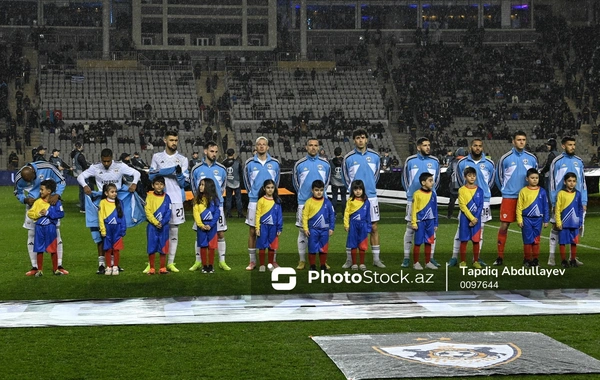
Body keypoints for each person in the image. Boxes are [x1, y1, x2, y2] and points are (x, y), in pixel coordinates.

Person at [78, 148, 140, 274]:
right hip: (101, 202)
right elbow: (80, 176)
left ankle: (113, 264)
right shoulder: (95, 167)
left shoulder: (120, 166)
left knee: (115, 234)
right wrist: (85, 185)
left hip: (116, 202)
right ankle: (102, 264)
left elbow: (137, 174)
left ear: (112, 158)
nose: (106, 164)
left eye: (108, 161)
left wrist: (134, 183)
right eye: (104, 161)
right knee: (101, 234)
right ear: (101, 159)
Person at [14, 162, 67, 276]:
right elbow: (17, 192)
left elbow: (61, 180)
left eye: (31, 179)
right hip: (33, 206)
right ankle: (35, 267)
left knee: (56, 234)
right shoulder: (19, 177)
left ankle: (59, 265)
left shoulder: (47, 167)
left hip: (50, 204)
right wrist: (25, 200)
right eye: (26, 180)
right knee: (32, 234)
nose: (29, 182)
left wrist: (57, 195)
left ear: (33, 172)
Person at [493, 131, 538, 266]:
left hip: (527, 198)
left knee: (527, 228)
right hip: (509, 198)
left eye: (523, 139)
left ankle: (527, 258)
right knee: (504, 226)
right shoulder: (505, 158)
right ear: (513, 141)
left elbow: (535, 176)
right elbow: (498, 177)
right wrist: (506, 191)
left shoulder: (532, 158)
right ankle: (500, 257)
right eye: (519, 140)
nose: (521, 142)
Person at [342, 129, 384, 269]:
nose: (361, 140)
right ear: (354, 140)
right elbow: (346, 178)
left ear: (367, 139)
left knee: (374, 228)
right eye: (358, 138)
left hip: (371, 197)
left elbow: (376, 176)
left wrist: (369, 189)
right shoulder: (348, 158)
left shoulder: (375, 156)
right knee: (352, 229)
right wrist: (355, 193)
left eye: (363, 138)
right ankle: (350, 260)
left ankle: (376, 259)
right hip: (355, 199)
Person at [449, 139, 495, 266]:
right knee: (460, 230)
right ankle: (454, 257)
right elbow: (459, 180)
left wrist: (483, 192)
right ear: (471, 147)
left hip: (483, 200)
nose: (478, 148)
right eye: (475, 146)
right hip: (467, 200)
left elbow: (490, 181)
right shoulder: (462, 163)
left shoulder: (489, 163)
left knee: (480, 231)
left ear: (482, 147)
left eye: (480, 146)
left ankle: (476, 258)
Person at [149, 130, 189, 273]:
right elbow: (150, 177)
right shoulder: (157, 157)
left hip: (176, 199)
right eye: (171, 140)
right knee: (154, 230)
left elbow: (184, 183)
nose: (174, 143)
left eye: (176, 140)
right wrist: (171, 171)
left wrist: (175, 174)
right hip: (158, 199)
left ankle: (170, 262)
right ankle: (152, 263)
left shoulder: (183, 160)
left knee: (174, 231)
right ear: (165, 140)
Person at [189, 141, 230, 272]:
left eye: (216, 152)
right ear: (205, 151)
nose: (214, 154)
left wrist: (215, 200)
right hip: (201, 206)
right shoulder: (196, 169)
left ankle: (222, 261)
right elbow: (194, 187)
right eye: (212, 151)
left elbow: (222, 187)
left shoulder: (222, 169)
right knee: (200, 234)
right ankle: (198, 262)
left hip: (217, 206)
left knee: (220, 233)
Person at [401, 137, 441, 268]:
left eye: (429, 145)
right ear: (418, 147)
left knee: (431, 230)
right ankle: (407, 258)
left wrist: (432, 194)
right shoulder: (410, 161)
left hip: (430, 200)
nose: (428, 147)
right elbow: (405, 179)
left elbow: (437, 180)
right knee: (410, 229)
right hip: (413, 199)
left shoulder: (435, 161)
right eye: (425, 145)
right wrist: (411, 194)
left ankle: (430, 258)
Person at [548, 137, 587, 266]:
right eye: (570, 145)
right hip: (561, 201)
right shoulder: (556, 161)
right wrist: (554, 202)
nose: (573, 147)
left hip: (577, 201)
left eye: (574, 144)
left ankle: (572, 258)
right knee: (556, 227)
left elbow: (583, 183)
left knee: (575, 229)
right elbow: (552, 183)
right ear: (563, 146)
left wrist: (584, 200)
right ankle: (552, 256)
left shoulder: (579, 161)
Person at [293, 137, 331, 270]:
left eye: (316, 145)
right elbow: (296, 183)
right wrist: (304, 196)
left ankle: (322, 261)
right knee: (303, 232)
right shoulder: (299, 164)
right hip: (303, 203)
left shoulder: (325, 164)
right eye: (310, 145)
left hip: (321, 204)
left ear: (319, 147)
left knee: (322, 232)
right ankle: (302, 260)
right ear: (306, 147)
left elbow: (326, 183)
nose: (313, 147)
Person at [243, 137, 280, 270]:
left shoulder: (275, 163)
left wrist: (272, 196)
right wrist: (253, 195)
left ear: (268, 147)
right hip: (254, 202)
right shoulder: (249, 163)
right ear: (255, 147)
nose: (262, 146)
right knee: (253, 231)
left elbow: (276, 182)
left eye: (264, 144)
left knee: (273, 231)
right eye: (259, 144)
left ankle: (273, 261)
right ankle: (252, 261)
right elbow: (247, 183)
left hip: (271, 202)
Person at [26, 179, 66, 277]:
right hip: (39, 228)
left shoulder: (56, 202)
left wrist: (48, 213)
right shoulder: (38, 202)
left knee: (53, 249)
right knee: (39, 249)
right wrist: (39, 214)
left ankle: (56, 269)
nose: (40, 191)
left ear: (49, 191)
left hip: (51, 228)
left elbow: (61, 214)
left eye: (42, 189)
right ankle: (39, 270)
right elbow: (30, 213)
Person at [516, 168, 549, 268]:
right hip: (527, 219)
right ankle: (527, 259)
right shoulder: (523, 191)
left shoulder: (542, 192)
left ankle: (535, 259)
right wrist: (519, 219)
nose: (535, 180)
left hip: (538, 220)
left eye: (536, 178)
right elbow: (519, 206)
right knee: (527, 240)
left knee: (536, 240)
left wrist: (546, 220)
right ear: (527, 179)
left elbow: (546, 206)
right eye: (532, 178)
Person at [302, 179, 335, 272]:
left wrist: (331, 228)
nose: (319, 192)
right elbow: (305, 216)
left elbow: (332, 215)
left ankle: (323, 265)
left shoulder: (327, 202)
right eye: (316, 190)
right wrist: (305, 228)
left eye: (321, 190)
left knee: (323, 248)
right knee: (312, 248)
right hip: (313, 230)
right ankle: (312, 266)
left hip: (325, 230)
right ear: (312, 190)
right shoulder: (309, 202)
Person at [554, 172, 584, 268]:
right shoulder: (561, 193)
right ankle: (563, 260)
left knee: (574, 242)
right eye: (569, 181)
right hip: (564, 223)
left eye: (574, 181)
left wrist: (580, 221)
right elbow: (557, 209)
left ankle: (573, 260)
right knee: (562, 242)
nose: (572, 183)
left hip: (574, 223)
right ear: (565, 182)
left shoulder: (578, 194)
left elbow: (580, 209)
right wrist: (558, 222)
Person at [456, 167, 484, 269]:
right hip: (465, 219)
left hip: (476, 220)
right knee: (464, 240)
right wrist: (472, 218)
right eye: (469, 175)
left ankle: (475, 261)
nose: (472, 178)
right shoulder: (462, 190)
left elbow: (480, 206)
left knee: (476, 241)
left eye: (473, 175)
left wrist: (475, 218)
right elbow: (462, 205)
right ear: (465, 177)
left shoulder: (480, 190)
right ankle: (463, 261)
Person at [410, 172, 438, 270]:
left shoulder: (433, 194)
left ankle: (427, 262)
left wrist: (436, 223)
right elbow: (413, 209)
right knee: (418, 243)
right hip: (420, 222)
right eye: (430, 181)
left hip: (430, 222)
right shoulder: (416, 194)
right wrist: (414, 222)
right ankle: (416, 263)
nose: (432, 183)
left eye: (432, 180)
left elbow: (435, 210)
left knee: (429, 242)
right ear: (423, 182)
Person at [144, 176, 172, 275]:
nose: (159, 186)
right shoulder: (149, 197)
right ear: (153, 185)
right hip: (152, 226)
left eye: (161, 184)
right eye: (157, 184)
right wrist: (156, 222)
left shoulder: (167, 197)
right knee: (151, 246)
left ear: (164, 185)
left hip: (164, 226)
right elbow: (148, 211)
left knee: (163, 246)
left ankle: (162, 268)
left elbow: (169, 212)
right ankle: (152, 268)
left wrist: (162, 222)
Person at [192, 178, 221, 274]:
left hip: (212, 227)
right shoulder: (197, 199)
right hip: (202, 227)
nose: (200, 187)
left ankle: (211, 266)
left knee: (211, 247)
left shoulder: (215, 199)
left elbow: (217, 213)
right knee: (203, 246)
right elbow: (196, 213)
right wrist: (200, 225)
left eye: (203, 185)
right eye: (200, 184)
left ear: (209, 186)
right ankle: (204, 266)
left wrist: (211, 225)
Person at [98, 183, 126, 276]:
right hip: (107, 228)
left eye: (115, 192)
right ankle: (109, 267)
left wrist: (123, 229)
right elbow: (100, 217)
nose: (114, 194)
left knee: (116, 249)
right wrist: (103, 230)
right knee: (108, 249)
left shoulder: (120, 202)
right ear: (106, 193)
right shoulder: (102, 202)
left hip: (117, 228)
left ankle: (115, 266)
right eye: (112, 192)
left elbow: (123, 217)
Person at [255, 179, 283, 272]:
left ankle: (270, 264)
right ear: (264, 188)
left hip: (273, 228)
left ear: (274, 189)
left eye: (272, 188)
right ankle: (262, 265)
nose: (270, 190)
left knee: (272, 247)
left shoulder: (277, 201)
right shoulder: (261, 201)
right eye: (268, 188)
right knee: (262, 246)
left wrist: (279, 228)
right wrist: (257, 228)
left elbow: (279, 216)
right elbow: (258, 215)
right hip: (263, 227)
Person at [344, 180, 371, 271]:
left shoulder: (366, 202)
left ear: (363, 190)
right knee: (353, 245)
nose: (358, 191)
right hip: (353, 225)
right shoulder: (350, 201)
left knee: (362, 245)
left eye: (360, 189)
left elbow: (368, 215)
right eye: (355, 189)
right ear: (352, 190)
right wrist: (346, 224)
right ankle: (354, 263)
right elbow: (346, 213)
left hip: (363, 225)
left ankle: (362, 264)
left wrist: (368, 226)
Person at [222, 148, 244, 219]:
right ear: (233, 154)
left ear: (227, 154)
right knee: (238, 199)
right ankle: (240, 213)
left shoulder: (224, 162)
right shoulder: (237, 163)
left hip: (228, 182)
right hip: (236, 182)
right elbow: (241, 173)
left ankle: (228, 213)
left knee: (228, 198)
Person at [445, 147, 467, 219]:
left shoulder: (453, 161)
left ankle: (449, 215)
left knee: (452, 201)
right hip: (464, 184)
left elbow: (448, 172)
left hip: (454, 183)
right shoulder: (466, 161)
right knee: (465, 201)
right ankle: (465, 214)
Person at [71, 142, 90, 213]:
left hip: (77, 174)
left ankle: (82, 207)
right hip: (82, 174)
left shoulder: (74, 155)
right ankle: (85, 207)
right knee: (85, 190)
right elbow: (84, 165)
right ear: (79, 147)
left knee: (81, 191)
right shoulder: (80, 155)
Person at [329, 147, 346, 213]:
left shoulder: (331, 161)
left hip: (334, 182)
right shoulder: (344, 161)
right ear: (341, 152)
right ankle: (344, 213)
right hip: (343, 182)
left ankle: (334, 212)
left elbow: (330, 171)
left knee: (334, 197)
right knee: (343, 197)